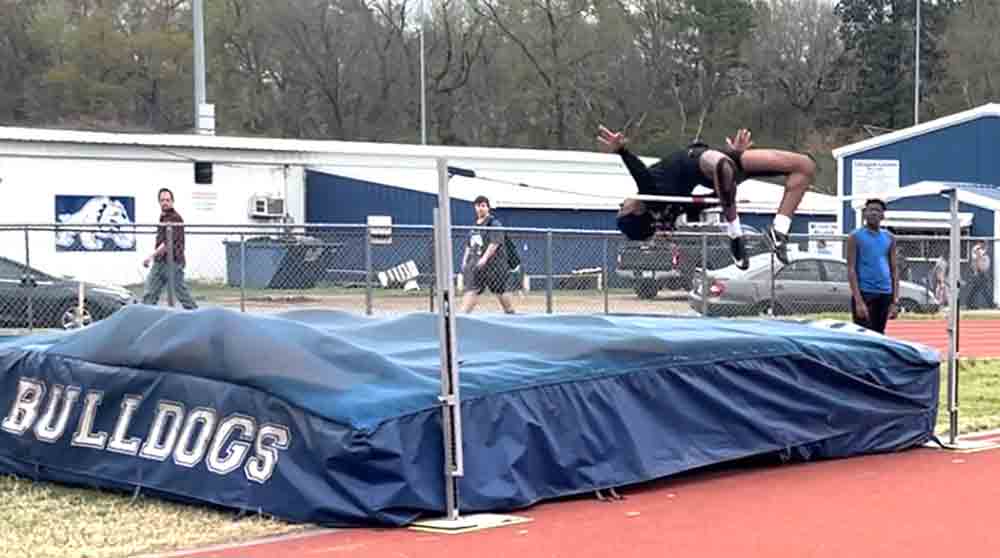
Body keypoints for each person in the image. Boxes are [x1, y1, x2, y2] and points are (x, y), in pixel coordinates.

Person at [597, 125, 816, 269]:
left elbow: (714, 198)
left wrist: (734, 160)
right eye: (621, 207)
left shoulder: (674, 208)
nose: (621, 202)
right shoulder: (649, 194)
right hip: (704, 162)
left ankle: (778, 230)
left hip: (719, 166)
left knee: (804, 166)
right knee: (722, 166)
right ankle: (735, 237)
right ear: (634, 211)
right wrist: (622, 151)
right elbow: (639, 172)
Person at [846, 198, 898, 334]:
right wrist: (858, 301)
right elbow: (851, 269)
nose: (874, 213)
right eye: (870, 210)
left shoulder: (889, 238)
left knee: (879, 334)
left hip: (885, 293)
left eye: (877, 210)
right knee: (863, 335)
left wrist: (894, 301)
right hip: (865, 292)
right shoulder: (855, 236)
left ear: (882, 215)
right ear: (864, 213)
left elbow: (894, 270)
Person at [142, 187, 198, 310]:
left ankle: (199, 317)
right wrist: (155, 258)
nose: (165, 202)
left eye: (167, 200)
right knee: (150, 293)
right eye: (162, 200)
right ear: (159, 202)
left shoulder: (175, 218)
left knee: (182, 294)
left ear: (172, 201)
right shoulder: (162, 217)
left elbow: (168, 243)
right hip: (160, 262)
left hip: (173, 263)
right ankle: (144, 318)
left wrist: (151, 256)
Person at [460, 195, 516, 314]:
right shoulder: (474, 227)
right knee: (473, 289)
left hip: (495, 266)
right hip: (477, 266)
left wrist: (485, 258)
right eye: (478, 206)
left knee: (501, 291)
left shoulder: (493, 223)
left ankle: (510, 313)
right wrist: (465, 260)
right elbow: (469, 245)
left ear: (488, 208)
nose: (480, 208)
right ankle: (463, 315)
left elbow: (494, 243)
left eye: (483, 206)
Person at [968, 240, 992, 309]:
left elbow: (983, 255)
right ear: (979, 243)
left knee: (981, 288)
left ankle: (970, 303)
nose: (982, 244)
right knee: (978, 288)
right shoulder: (976, 248)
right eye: (982, 243)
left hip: (982, 272)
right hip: (977, 271)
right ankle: (990, 304)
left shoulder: (981, 249)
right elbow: (978, 256)